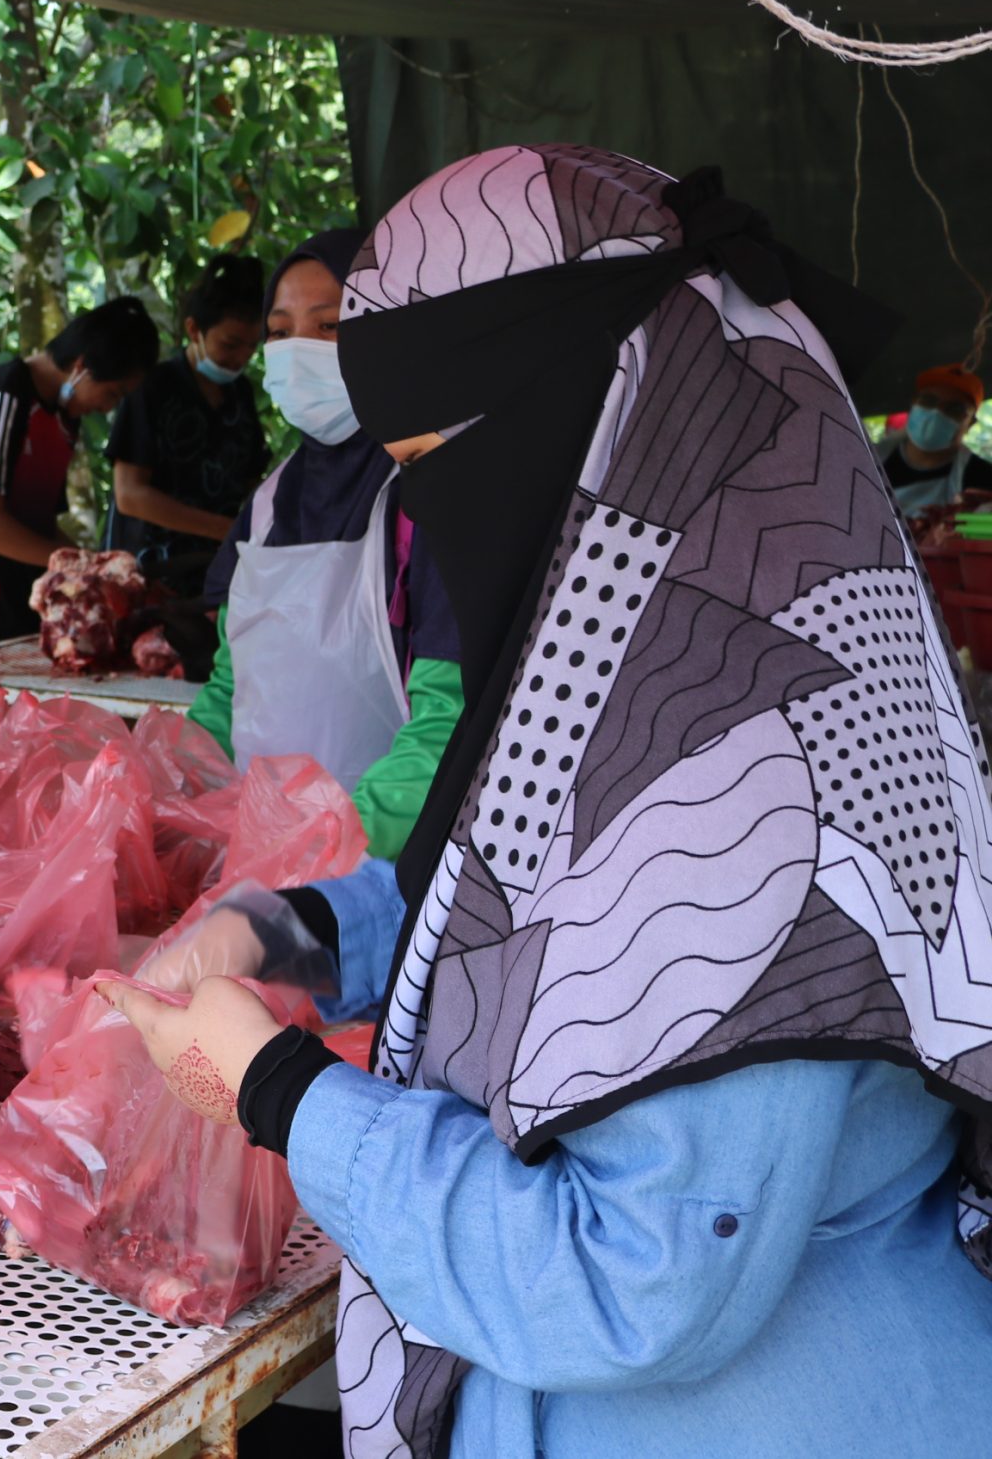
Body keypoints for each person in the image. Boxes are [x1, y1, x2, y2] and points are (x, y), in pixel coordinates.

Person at [106, 146, 992, 1459]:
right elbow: (513, 884)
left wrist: (280, 1090)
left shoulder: (736, 764)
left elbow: (631, 1282)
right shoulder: (666, 637)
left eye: (437, 459)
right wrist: (284, 926)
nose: (434, 507)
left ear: (581, 413)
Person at [185, 229, 464, 860]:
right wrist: (175, 796)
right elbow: (230, 690)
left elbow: (450, 717)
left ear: (388, 330)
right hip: (253, 859)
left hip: (380, 872)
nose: (297, 352)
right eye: (280, 334)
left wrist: (332, 847)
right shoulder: (265, 506)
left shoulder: (430, 493)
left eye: (331, 326)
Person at [0, 297, 158, 649]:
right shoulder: (4, 396)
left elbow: (41, 523)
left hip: (20, 611)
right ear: (81, 366)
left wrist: (99, 569)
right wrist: (83, 563)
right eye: (112, 393)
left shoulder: (65, 418)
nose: (107, 407)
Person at [104, 253, 268, 591]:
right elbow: (130, 494)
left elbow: (252, 478)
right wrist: (225, 528)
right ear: (194, 329)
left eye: (252, 347)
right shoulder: (151, 388)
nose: (241, 358)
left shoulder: (241, 393)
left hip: (217, 571)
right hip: (148, 575)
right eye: (230, 344)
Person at [877, 362, 992, 512]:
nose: (937, 412)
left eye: (955, 409)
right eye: (928, 401)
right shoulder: (867, 457)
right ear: (913, 404)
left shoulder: (982, 481)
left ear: (970, 424)